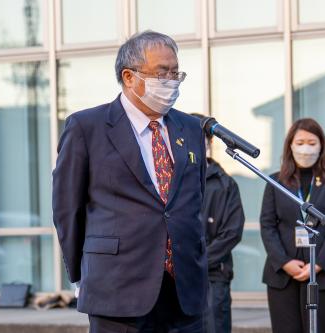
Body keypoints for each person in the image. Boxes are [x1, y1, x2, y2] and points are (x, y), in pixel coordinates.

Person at [52, 30, 208, 333]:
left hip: (184, 289)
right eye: (163, 72)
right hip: (116, 288)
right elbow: (66, 209)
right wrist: (84, 272)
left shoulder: (190, 128)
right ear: (129, 76)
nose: (172, 81)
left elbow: (195, 201)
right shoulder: (87, 127)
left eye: (176, 72)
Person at [259, 118, 325, 333]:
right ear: (290, 145)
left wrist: (318, 265)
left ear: (321, 146)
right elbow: (267, 225)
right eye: (300, 143)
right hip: (282, 275)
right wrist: (284, 261)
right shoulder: (275, 181)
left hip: (321, 275)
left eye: (311, 142)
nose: (305, 148)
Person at [191, 113, 245, 333]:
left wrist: (199, 261)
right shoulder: (167, 181)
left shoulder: (226, 185)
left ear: (209, 143)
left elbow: (232, 233)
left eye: (200, 139)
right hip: (174, 278)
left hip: (214, 277)